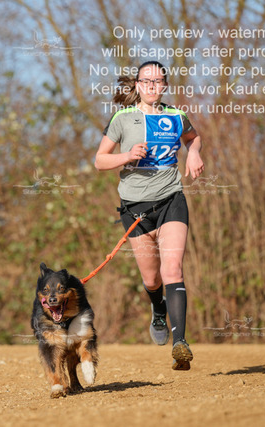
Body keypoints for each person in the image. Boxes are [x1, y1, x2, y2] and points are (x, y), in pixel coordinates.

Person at [94, 60, 204, 370]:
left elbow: (194, 137)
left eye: (158, 81)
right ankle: (158, 309)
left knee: (173, 269)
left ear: (165, 85)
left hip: (171, 201)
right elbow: (99, 161)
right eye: (147, 81)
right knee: (151, 278)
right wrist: (127, 156)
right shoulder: (122, 118)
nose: (152, 86)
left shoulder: (176, 116)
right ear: (138, 85)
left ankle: (180, 342)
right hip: (135, 210)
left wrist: (194, 153)